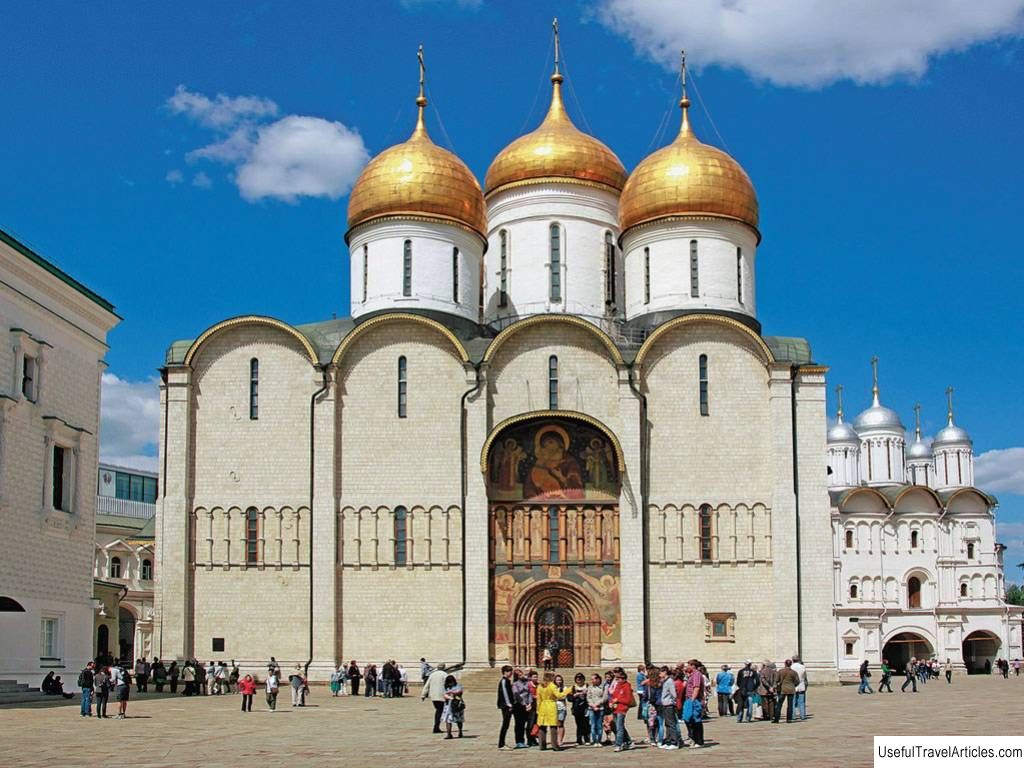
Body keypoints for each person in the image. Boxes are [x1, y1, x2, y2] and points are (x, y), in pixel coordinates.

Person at [534, 672, 569, 750]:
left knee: (542, 727)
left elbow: (538, 699)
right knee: (553, 727)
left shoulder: (540, 686)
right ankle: (554, 745)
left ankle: (542, 745)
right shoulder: (552, 686)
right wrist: (568, 690)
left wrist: (538, 709)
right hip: (551, 706)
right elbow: (560, 695)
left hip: (543, 706)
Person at [609, 667, 634, 752]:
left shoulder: (627, 686)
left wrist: (618, 700)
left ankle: (619, 744)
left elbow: (628, 700)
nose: (616, 680)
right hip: (615, 709)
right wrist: (611, 702)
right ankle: (629, 742)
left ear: (623, 678)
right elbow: (614, 696)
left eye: (618, 679)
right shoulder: (618, 685)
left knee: (619, 727)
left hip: (622, 709)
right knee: (620, 726)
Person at [683, 660, 705, 749]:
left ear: (693, 666)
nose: (687, 666)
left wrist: (692, 700)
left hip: (694, 700)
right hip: (690, 699)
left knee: (696, 720)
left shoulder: (696, 674)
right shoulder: (692, 674)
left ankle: (699, 741)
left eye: (688, 665)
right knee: (690, 719)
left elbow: (696, 687)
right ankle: (695, 739)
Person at [657, 667, 680, 750]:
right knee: (667, 724)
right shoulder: (665, 681)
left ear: (665, 672)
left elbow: (674, 694)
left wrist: (670, 701)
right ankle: (668, 741)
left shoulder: (670, 681)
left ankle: (674, 742)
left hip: (669, 704)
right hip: (665, 704)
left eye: (660, 672)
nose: (659, 674)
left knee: (671, 724)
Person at [421, 664, 449, 734]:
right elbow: (448, 685)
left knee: (438, 710)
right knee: (440, 711)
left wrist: (423, 695)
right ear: (444, 668)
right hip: (442, 695)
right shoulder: (445, 674)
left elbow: (427, 685)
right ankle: (436, 727)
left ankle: (437, 726)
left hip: (433, 696)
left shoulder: (432, 674)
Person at [511, 668, 532, 749]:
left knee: (528, 724)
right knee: (519, 724)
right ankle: (519, 741)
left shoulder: (527, 683)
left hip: (527, 705)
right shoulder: (515, 684)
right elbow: (516, 695)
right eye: (520, 674)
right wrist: (524, 704)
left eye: (522, 673)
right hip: (519, 706)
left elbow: (529, 693)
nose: (522, 675)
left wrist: (529, 703)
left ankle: (530, 740)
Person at [774, 659, 800, 723]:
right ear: (791, 664)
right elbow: (797, 681)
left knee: (779, 704)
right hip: (791, 689)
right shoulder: (793, 672)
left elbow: (776, 680)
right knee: (790, 705)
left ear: (785, 664)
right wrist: (793, 685)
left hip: (782, 689)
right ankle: (789, 719)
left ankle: (776, 719)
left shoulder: (780, 671)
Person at [496, 665, 515, 750]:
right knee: (505, 724)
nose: (511, 673)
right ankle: (501, 744)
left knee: (506, 725)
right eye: (510, 671)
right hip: (506, 706)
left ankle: (502, 743)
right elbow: (505, 693)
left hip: (507, 705)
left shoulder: (507, 681)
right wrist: (509, 704)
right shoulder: (504, 681)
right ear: (505, 672)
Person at [586, 673, 606, 747]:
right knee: (593, 725)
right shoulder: (590, 687)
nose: (592, 680)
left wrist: (597, 704)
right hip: (591, 708)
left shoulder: (602, 687)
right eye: (591, 679)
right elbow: (588, 697)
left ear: (598, 679)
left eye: (593, 679)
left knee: (599, 725)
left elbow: (604, 698)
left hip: (600, 708)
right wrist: (592, 705)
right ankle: (594, 740)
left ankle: (599, 740)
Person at [442, 674, 465, 739]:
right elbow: (444, 694)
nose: (450, 684)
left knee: (459, 719)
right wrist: (449, 695)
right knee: (448, 719)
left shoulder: (458, 686)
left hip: (457, 705)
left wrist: (452, 693)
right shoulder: (446, 687)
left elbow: (460, 692)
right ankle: (449, 734)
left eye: (451, 682)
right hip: (448, 705)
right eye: (449, 682)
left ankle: (460, 731)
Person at [570, 673, 590, 746]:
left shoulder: (587, 686)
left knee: (586, 724)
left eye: (581, 679)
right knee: (578, 724)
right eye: (578, 679)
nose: (579, 680)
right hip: (577, 708)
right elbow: (569, 698)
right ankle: (578, 739)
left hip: (586, 708)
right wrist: (574, 695)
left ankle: (587, 739)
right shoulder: (573, 687)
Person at [791, 655, 807, 720]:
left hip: (793, 685)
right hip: (801, 685)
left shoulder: (791, 667)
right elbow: (805, 676)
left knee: (792, 701)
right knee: (802, 701)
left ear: (792, 660)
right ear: (798, 659)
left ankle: (793, 715)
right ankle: (802, 715)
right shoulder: (803, 667)